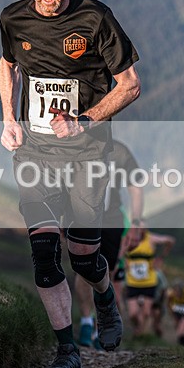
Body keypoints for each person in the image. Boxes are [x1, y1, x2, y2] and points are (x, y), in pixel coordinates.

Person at [0, 0, 141, 368]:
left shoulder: (95, 18)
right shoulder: (13, 18)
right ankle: (67, 351)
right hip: (36, 152)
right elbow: (8, 65)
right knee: (44, 252)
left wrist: (85, 119)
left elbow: (130, 84)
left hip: (88, 153)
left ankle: (103, 296)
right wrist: (8, 117)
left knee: (82, 255)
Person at [74, 140, 144, 347]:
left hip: (111, 218)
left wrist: (136, 222)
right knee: (82, 266)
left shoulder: (119, 150)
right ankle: (87, 321)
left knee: (108, 272)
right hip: (81, 213)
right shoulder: (76, 145)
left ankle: (100, 326)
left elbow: (135, 185)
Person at [124, 226, 175, 337]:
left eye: (142, 228)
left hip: (149, 282)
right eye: (137, 228)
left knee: (146, 312)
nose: (140, 231)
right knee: (133, 314)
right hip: (132, 282)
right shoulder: (128, 237)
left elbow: (170, 240)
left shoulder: (151, 238)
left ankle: (140, 335)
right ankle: (138, 328)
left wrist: (161, 257)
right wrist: (124, 261)